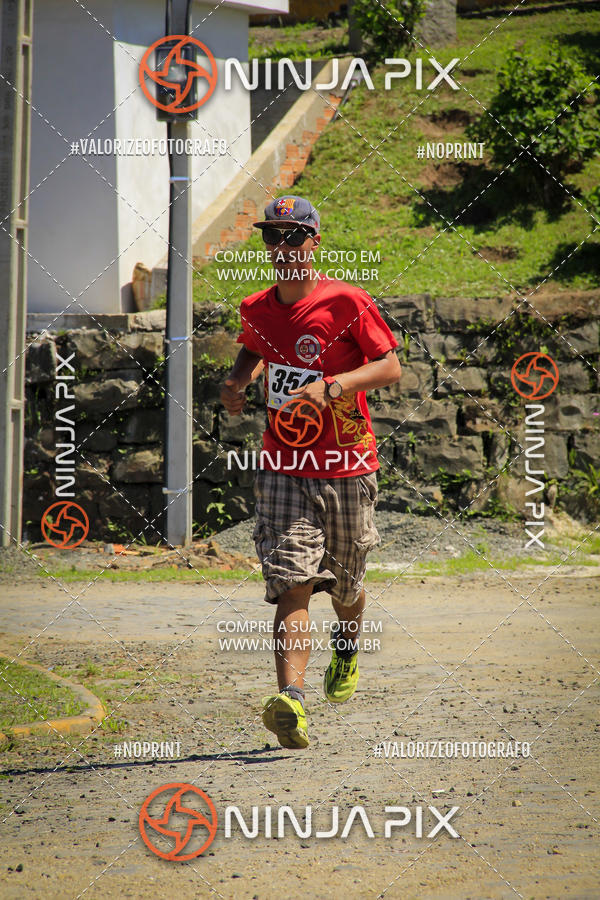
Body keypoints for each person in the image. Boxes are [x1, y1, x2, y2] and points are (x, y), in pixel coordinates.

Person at [220, 195, 401, 750]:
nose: (282, 248)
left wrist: (334, 385)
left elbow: (391, 365)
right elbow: (253, 349)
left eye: (293, 237)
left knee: (346, 586)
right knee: (292, 582)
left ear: (313, 243)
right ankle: (291, 702)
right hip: (283, 465)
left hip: (348, 466)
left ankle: (346, 643)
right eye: (273, 237)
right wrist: (236, 381)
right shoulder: (257, 306)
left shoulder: (347, 300)